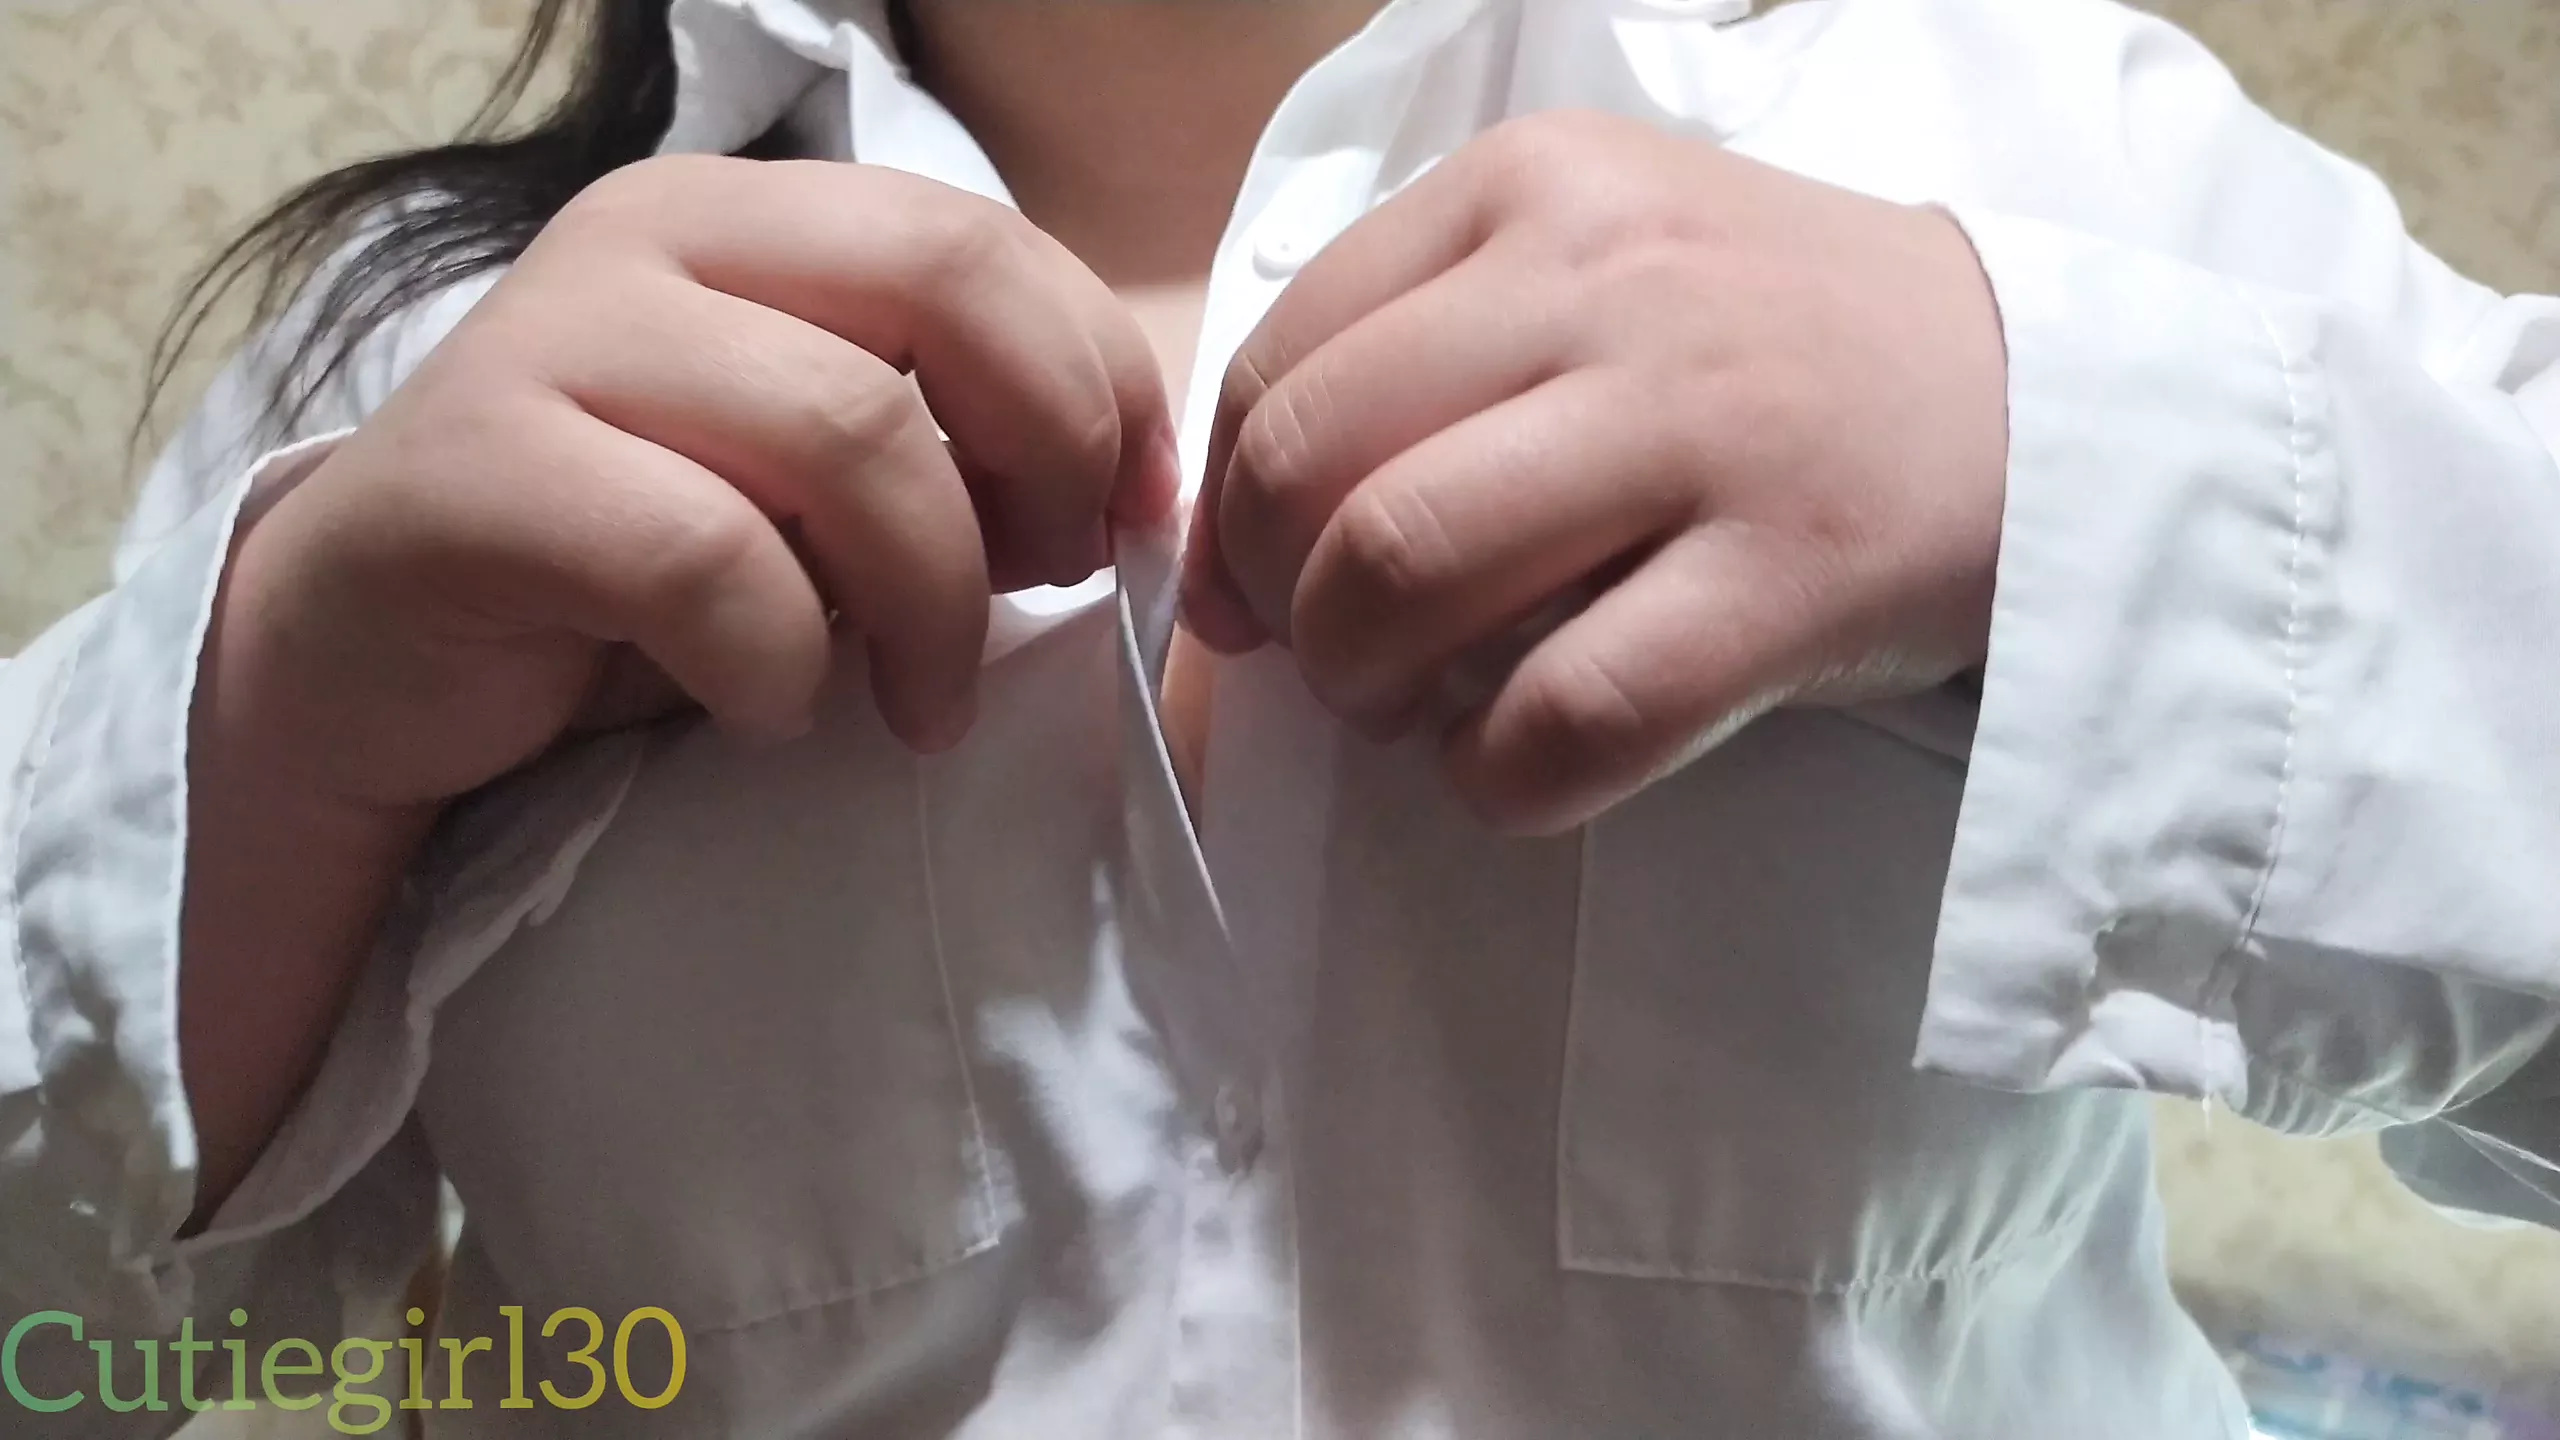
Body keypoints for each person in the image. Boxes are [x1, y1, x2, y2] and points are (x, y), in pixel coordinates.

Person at [3, 0, 2555, 1433]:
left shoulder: (2042, 160)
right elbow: (48, 1344)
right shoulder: (414, 377)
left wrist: (2062, 457)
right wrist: (265, 742)